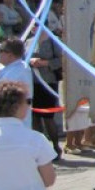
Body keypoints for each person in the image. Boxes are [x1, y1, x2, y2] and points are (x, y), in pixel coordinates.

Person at [29, 27, 63, 160]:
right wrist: (31, 62)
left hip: (48, 82)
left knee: (48, 117)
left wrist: (44, 63)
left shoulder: (53, 41)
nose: (33, 28)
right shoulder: (29, 41)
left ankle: (55, 146)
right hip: (33, 82)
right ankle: (39, 148)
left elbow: (61, 60)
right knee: (35, 117)